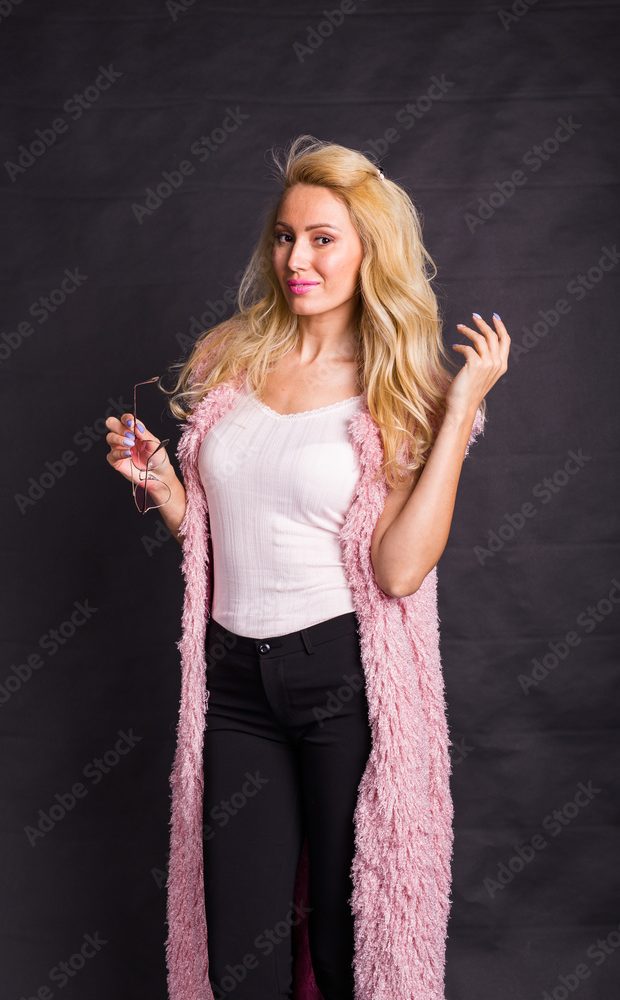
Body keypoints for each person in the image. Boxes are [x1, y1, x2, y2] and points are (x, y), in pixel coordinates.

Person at [105, 135, 510, 1000]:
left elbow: (398, 572)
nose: (296, 259)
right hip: (233, 684)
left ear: (368, 250)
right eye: (286, 236)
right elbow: (220, 541)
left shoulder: (398, 389)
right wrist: (165, 487)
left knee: (346, 945)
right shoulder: (229, 358)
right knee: (236, 954)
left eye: (323, 238)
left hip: (339, 682)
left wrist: (457, 415)